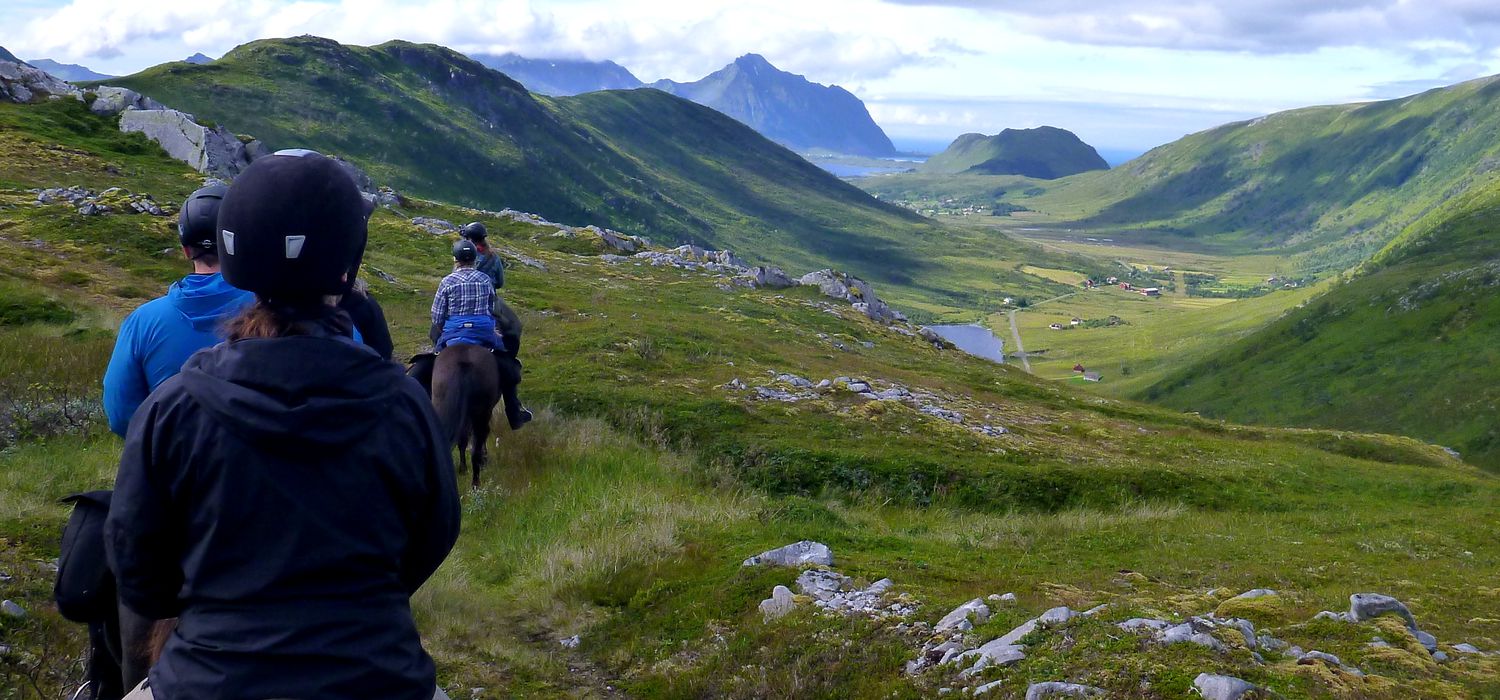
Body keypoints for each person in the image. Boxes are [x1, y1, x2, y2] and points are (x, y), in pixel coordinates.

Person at [105, 150, 460, 700]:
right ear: (346, 263)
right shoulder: (404, 404)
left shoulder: (172, 407)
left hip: (205, 681)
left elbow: (138, 571)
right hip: (378, 678)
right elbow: (433, 535)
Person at [101, 184, 253, 436]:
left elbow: (120, 416)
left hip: (174, 468)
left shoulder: (141, 321)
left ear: (185, 250)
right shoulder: (273, 309)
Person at [420, 240, 531, 429]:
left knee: (424, 366)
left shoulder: (446, 282)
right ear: (474, 259)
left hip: (453, 333)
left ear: (455, 259)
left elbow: (437, 316)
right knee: (509, 366)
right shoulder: (484, 280)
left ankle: (419, 414)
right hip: (483, 332)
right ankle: (514, 411)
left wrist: (442, 330)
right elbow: (492, 309)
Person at [460, 221, 504, 289]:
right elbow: (499, 283)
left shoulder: (462, 255)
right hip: (487, 297)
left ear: (469, 239)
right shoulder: (493, 256)